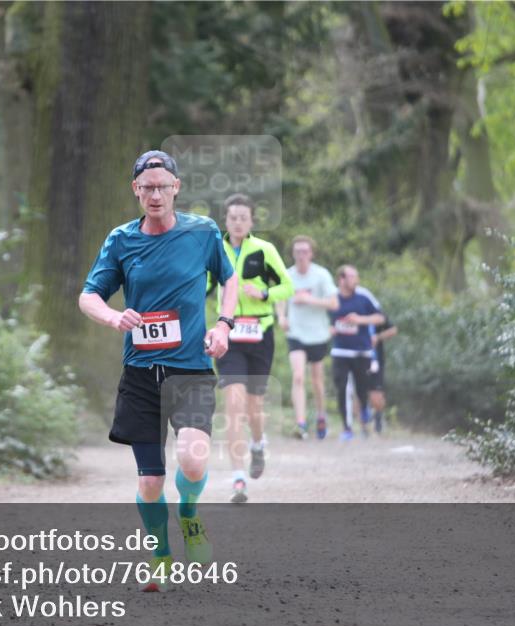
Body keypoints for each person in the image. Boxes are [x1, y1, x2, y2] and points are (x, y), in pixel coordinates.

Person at [78, 150, 238, 592]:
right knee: (150, 481)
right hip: (141, 373)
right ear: (135, 190)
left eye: (162, 186)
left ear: (176, 188)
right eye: (146, 187)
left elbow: (230, 279)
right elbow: (88, 295)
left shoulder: (202, 232)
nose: (154, 194)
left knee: (191, 458)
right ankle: (160, 554)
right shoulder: (121, 240)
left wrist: (223, 325)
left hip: (189, 369)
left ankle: (188, 514)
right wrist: (114, 318)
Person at [211, 193, 294, 503]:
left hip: (260, 334)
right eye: (232, 217)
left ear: (251, 221)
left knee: (254, 408)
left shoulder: (264, 250)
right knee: (233, 405)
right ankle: (238, 479)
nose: (237, 222)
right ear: (226, 220)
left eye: (243, 218)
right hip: (228, 334)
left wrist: (262, 293)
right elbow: (203, 286)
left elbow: (288, 286)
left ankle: (258, 444)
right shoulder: (216, 250)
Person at [275, 236, 339, 440]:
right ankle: (301, 423)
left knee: (317, 381)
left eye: (305, 251)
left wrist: (308, 299)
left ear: (311, 253)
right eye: (297, 252)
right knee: (298, 376)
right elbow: (280, 298)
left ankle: (321, 415)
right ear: (293, 254)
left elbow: (334, 304)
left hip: (318, 334)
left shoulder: (321, 275)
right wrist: (282, 316)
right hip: (296, 333)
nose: (301, 255)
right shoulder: (287, 274)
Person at [329, 266, 386, 440]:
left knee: (362, 389)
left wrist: (360, 320)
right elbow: (324, 317)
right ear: (341, 279)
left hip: (362, 352)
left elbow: (381, 318)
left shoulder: (364, 296)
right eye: (352, 276)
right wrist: (328, 328)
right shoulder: (331, 297)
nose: (356, 280)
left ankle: (364, 417)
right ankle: (347, 428)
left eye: (356, 276)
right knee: (343, 389)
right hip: (340, 351)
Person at [368, 313, 398, 434]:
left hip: (375, 360)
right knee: (359, 392)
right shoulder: (352, 311)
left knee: (376, 394)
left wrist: (378, 337)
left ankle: (378, 417)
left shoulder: (376, 314)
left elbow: (393, 330)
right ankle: (363, 424)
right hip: (357, 358)